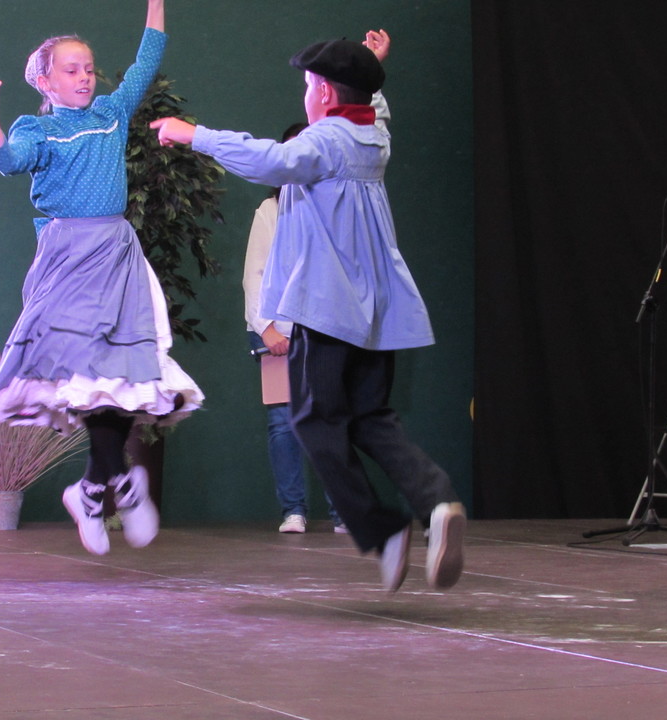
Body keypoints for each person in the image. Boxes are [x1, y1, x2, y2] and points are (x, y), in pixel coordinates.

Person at [151, 29, 466, 592]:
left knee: (313, 419)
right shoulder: (373, 138)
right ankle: (436, 501)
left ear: (322, 92)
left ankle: (383, 530)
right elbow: (375, 109)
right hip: (375, 313)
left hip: (328, 308)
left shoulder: (325, 142)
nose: (306, 95)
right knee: (371, 417)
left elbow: (272, 160)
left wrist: (194, 135)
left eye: (307, 86)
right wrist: (370, 67)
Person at [0, 0, 202, 557]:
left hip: (116, 253)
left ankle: (96, 488)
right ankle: (113, 482)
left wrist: (156, 6)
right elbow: (9, 160)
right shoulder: (39, 128)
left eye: (89, 68)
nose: (83, 77)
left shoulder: (112, 112)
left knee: (116, 376)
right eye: (70, 69)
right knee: (87, 372)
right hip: (68, 257)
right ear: (45, 81)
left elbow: (147, 59)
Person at [245, 122, 346, 535]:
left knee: (332, 420)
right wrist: (267, 329)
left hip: (328, 332)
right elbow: (255, 275)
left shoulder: (339, 205)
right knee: (284, 423)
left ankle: (343, 512)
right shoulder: (270, 210)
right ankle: (293, 510)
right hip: (280, 334)